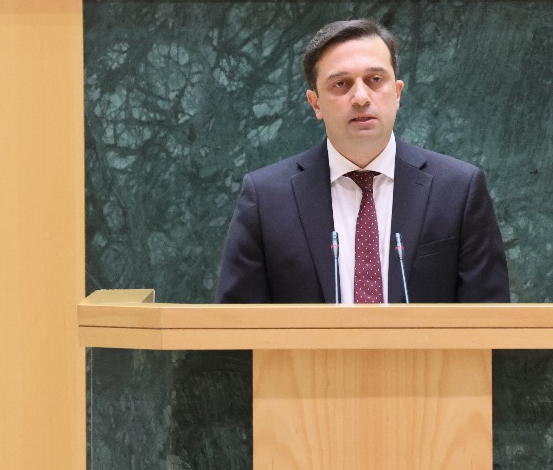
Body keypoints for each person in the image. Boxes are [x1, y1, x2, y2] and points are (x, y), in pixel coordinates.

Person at [216, 19, 510, 304]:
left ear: (397, 93)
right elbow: (235, 328)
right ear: (315, 103)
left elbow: (492, 320)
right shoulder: (266, 198)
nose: (360, 97)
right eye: (341, 84)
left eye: (375, 80)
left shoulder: (459, 190)